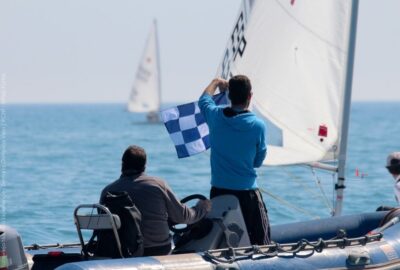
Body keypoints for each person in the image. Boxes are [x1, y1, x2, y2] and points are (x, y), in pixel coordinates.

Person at [100, 145, 211, 256]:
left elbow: (103, 227)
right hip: (157, 250)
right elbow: (183, 217)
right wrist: (201, 208)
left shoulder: (107, 191)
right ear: (144, 166)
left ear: (122, 164)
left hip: (121, 252)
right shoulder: (157, 185)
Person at [198, 75, 270, 245]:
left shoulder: (215, 117)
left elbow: (204, 100)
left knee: (220, 244)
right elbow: (258, 162)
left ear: (229, 96)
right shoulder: (258, 126)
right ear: (250, 96)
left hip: (219, 192)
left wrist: (216, 81)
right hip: (247, 195)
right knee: (262, 243)